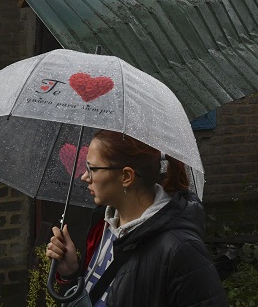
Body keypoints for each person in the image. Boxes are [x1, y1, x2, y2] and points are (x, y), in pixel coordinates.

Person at [45, 130, 226, 306]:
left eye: (91, 169)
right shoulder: (106, 226)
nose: (84, 177)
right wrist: (72, 272)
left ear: (126, 176)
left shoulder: (181, 249)